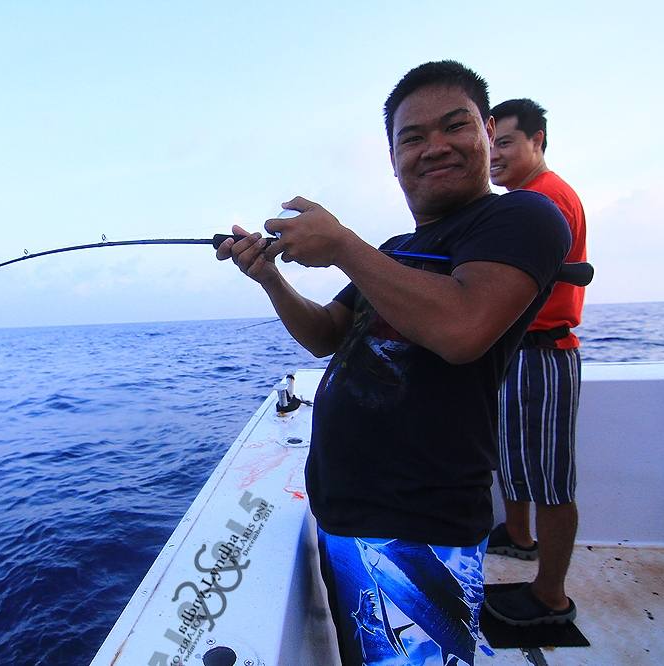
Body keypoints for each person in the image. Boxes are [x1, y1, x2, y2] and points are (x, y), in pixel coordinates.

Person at [216, 61, 570, 665]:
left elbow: (463, 329)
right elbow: (327, 334)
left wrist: (342, 246)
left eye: (453, 126)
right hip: (343, 509)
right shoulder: (397, 252)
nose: (433, 148)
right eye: (412, 137)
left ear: (487, 132)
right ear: (392, 157)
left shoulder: (522, 217)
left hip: (419, 527)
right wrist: (270, 276)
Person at [483, 98, 587, 627]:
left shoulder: (544, 200)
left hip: (543, 354)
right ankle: (520, 537)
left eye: (504, 142)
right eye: (489, 142)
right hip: (516, 355)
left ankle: (550, 598)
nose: (492, 155)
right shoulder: (523, 200)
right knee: (512, 456)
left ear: (538, 140)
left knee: (549, 478)